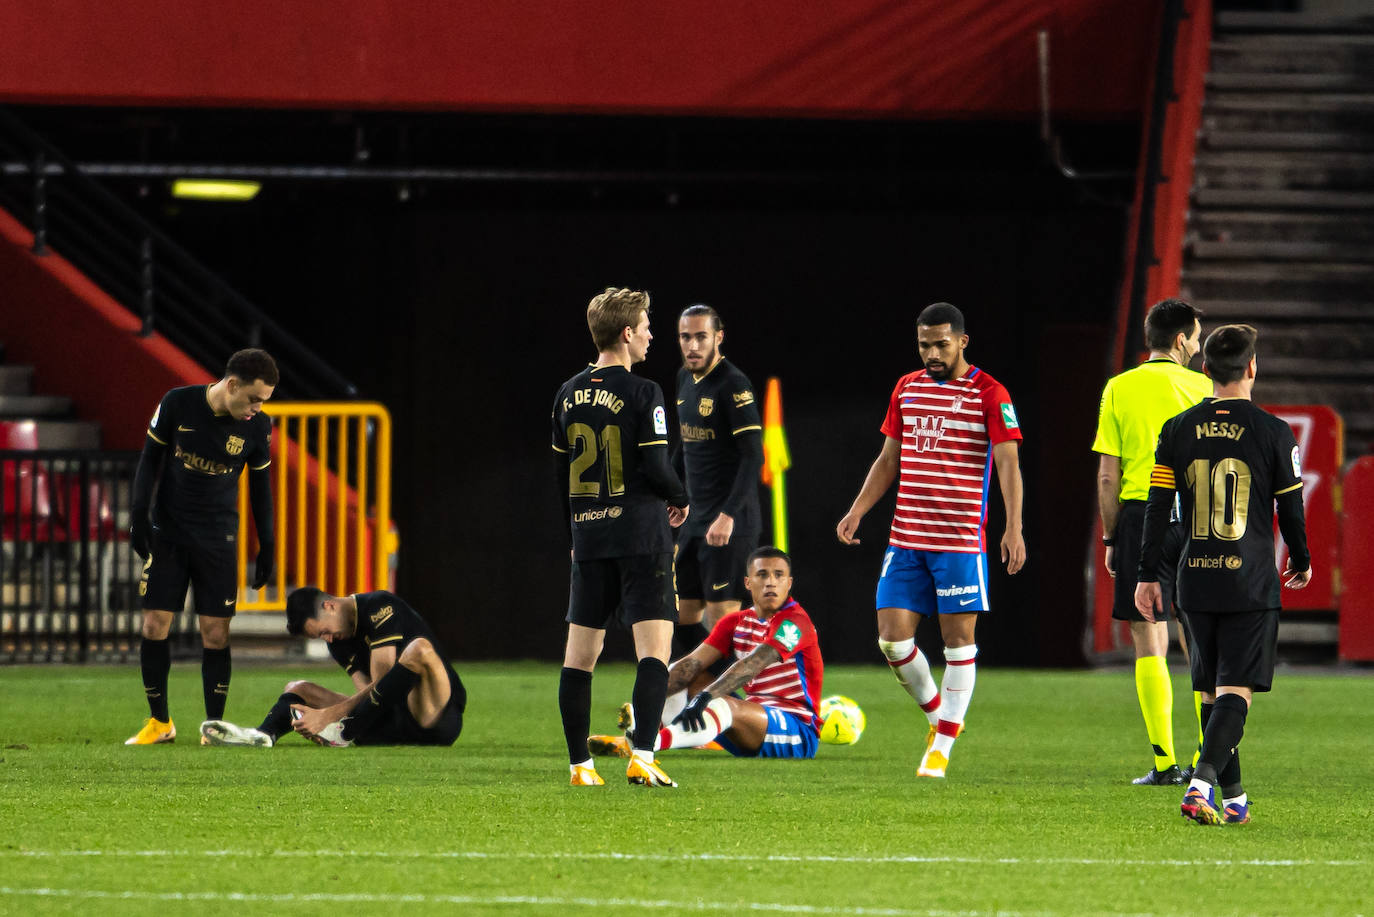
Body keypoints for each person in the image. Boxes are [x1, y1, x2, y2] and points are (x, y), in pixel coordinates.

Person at [836, 302, 1025, 778]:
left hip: (959, 544)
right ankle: (939, 717)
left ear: (963, 341)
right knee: (892, 642)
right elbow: (887, 460)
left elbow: (1007, 464)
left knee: (957, 645)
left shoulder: (989, 392)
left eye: (942, 344)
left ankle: (940, 748)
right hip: (906, 540)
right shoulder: (907, 388)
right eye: (925, 345)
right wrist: (858, 509)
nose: (933, 353)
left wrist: (1014, 526)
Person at [1136, 324, 1310, 826]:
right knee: (1237, 691)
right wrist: (1300, 559)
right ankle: (1201, 784)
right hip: (1249, 578)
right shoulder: (1274, 431)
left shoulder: (1177, 428)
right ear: (1252, 368)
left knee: (1212, 691)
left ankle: (1233, 799)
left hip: (1194, 577)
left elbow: (1157, 507)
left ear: (1205, 369)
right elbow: (1291, 511)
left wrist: (1149, 573)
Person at [552, 287, 691, 788]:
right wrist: (682, 497)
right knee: (654, 651)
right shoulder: (643, 392)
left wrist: (573, 531)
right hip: (641, 536)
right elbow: (656, 466)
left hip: (589, 538)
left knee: (579, 659)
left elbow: (561, 474)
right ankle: (644, 755)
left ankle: (580, 768)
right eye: (648, 326)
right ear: (628, 333)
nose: (653, 334)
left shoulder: (566, 393)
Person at [125, 348, 279, 745]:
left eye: (263, 402)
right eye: (253, 399)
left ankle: (214, 727)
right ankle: (160, 723)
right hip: (170, 531)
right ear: (232, 385)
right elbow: (149, 460)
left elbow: (261, 489)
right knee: (155, 624)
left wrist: (269, 544)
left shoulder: (258, 428)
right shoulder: (178, 403)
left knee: (215, 632)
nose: (257, 409)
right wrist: (139, 515)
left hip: (218, 538)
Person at [1092, 299, 1212, 786]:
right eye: (1197, 336)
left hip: (1142, 516)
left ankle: (1164, 763)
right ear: (1181, 340)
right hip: (1198, 516)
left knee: (1148, 639)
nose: (1200, 345)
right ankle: (1210, 759)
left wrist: (1111, 533)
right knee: (1201, 636)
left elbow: (1106, 475)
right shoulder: (1204, 389)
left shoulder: (1119, 388)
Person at [587, 546, 824, 760]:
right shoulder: (736, 622)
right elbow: (691, 663)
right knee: (681, 672)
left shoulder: (796, 622)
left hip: (797, 731)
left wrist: (706, 697)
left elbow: (754, 664)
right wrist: (644, 705)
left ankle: (649, 745)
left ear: (789, 583)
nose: (771, 582)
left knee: (723, 704)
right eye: (762, 575)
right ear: (748, 582)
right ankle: (645, 732)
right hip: (751, 722)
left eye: (778, 575)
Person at [199, 586, 466, 747]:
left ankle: (344, 732)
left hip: (435, 718)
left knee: (418, 649)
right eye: (320, 637)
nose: (327, 640)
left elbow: (383, 684)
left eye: (324, 631)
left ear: (329, 606)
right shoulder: (337, 642)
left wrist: (329, 716)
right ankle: (263, 735)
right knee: (297, 687)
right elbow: (369, 695)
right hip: (390, 722)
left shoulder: (379, 606)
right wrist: (326, 714)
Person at [672, 304, 763, 654]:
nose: (692, 345)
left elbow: (753, 455)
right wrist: (670, 492)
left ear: (718, 338)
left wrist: (728, 515)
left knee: (722, 619)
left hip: (730, 523)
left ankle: (732, 704)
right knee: (681, 614)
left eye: (700, 337)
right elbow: (686, 444)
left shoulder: (733, 384)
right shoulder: (684, 378)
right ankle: (706, 690)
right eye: (685, 337)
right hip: (695, 520)